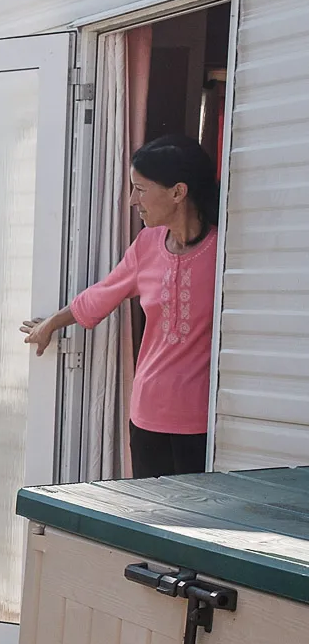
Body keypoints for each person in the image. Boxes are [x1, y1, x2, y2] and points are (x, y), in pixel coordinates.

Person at [21, 133, 221, 478]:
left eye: (141, 189)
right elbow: (105, 292)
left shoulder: (224, 250)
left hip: (204, 422)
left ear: (178, 192)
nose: (132, 200)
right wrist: (51, 323)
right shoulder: (147, 244)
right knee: (151, 520)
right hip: (147, 416)